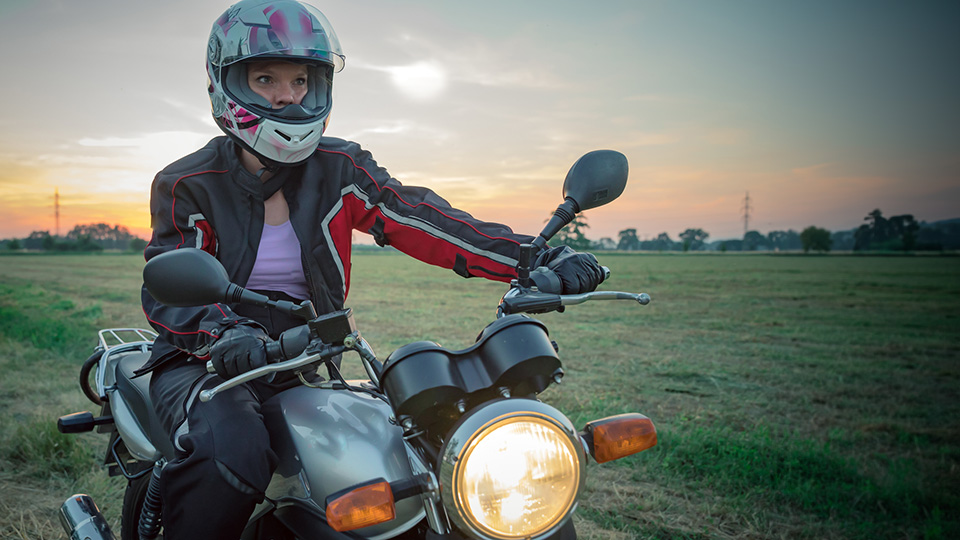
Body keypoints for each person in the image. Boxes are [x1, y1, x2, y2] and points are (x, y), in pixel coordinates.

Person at [139, 1, 604, 538]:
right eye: (265, 77)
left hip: (306, 354)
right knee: (235, 448)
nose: (287, 95)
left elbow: (425, 220)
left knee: (410, 448)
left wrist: (534, 257)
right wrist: (224, 330)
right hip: (205, 363)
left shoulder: (339, 169)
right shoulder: (188, 182)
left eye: (300, 79)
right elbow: (172, 285)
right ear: (225, 84)